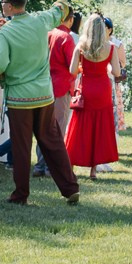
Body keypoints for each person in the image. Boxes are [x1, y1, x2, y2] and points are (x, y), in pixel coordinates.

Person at [0, 0, 80, 204]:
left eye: (2, 2)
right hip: (45, 95)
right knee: (53, 141)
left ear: (8, 6)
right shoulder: (40, 20)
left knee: (21, 146)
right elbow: (60, 8)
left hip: (20, 98)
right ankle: (70, 187)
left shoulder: (4, 33)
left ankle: (21, 195)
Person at [65, 13, 120, 179]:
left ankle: (71, 166)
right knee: (99, 128)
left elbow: (72, 71)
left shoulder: (81, 46)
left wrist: (83, 67)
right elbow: (116, 72)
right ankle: (93, 170)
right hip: (102, 90)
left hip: (86, 89)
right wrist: (106, 68)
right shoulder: (110, 47)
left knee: (79, 127)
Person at [38, 11, 78, 177]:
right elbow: (72, 66)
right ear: (69, 20)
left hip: (44, 86)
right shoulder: (66, 38)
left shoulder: (46, 34)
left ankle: (40, 165)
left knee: (43, 127)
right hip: (61, 86)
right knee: (58, 128)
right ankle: (51, 167)